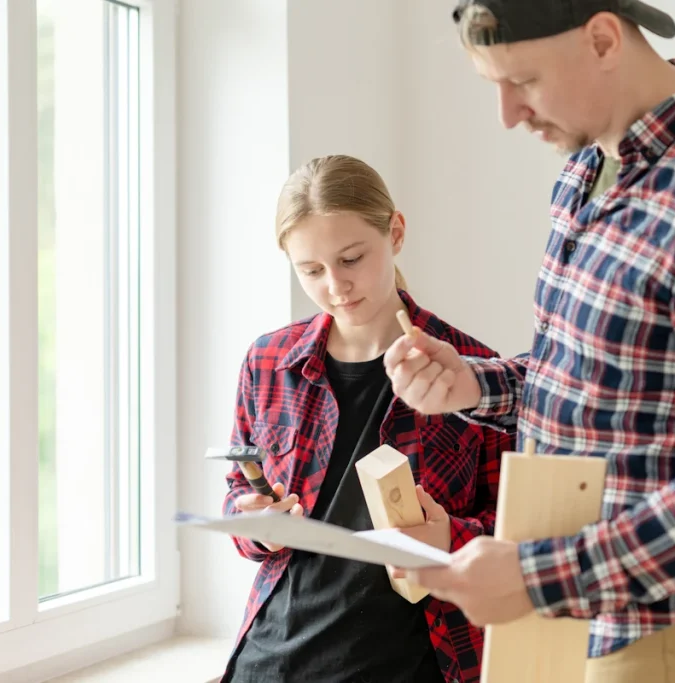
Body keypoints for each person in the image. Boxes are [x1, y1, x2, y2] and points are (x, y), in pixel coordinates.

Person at [384, 2, 675, 682]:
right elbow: (596, 377)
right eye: (493, 85)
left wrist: (536, 576)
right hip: (565, 612)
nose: (508, 114)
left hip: (665, 626)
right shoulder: (588, 167)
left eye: (523, 81)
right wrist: (475, 383)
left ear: (601, 39)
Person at [218, 154, 515, 683]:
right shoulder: (267, 361)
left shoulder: (473, 375)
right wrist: (256, 525)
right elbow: (239, 494)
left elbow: (515, 530)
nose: (335, 286)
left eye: (351, 258)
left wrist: (449, 536)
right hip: (271, 661)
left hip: (414, 664)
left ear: (395, 233)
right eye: (311, 270)